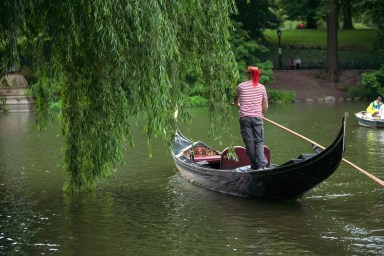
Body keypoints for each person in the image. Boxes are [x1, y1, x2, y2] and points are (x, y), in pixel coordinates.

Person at [233, 66, 268, 170]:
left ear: (249, 74)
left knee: (249, 141)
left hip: (245, 119)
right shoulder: (261, 87)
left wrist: (239, 105)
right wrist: (262, 113)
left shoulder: (240, 86)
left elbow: (235, 101)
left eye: (247, 73)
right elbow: (265, 106)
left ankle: (254, 165)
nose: (246, 75)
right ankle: (261, 165)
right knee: (259, 141)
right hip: (257, 118)